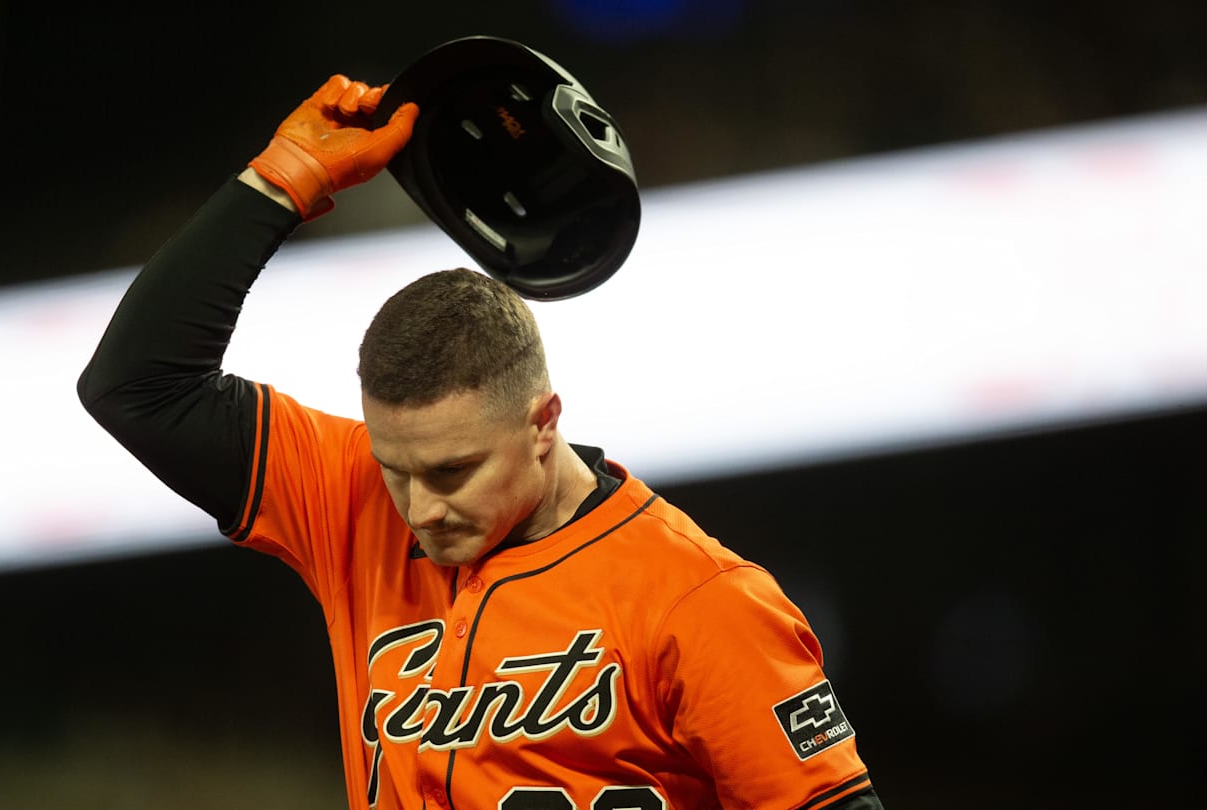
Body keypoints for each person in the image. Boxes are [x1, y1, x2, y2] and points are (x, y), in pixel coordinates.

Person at [79, 73, 882, 810]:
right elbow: (136, 386)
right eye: (397, 468)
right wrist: (282, 179)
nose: (421, 508)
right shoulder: (353, 496)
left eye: (453, 470)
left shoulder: (699, 602)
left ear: (542, 423)